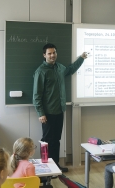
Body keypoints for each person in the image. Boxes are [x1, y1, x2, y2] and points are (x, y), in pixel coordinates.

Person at [33, 43, 88, 172]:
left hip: (59, 110)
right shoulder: (41, 71)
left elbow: (70, 69)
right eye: (49, 53)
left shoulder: (60, 68)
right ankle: (46, 167)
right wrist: (40, 113)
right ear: (44, 55)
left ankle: (55, 165)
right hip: (47, 113)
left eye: (54, 53)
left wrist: (81, 58)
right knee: (46, 141)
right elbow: (36, 95)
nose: (52, 55)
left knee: (56, 140)